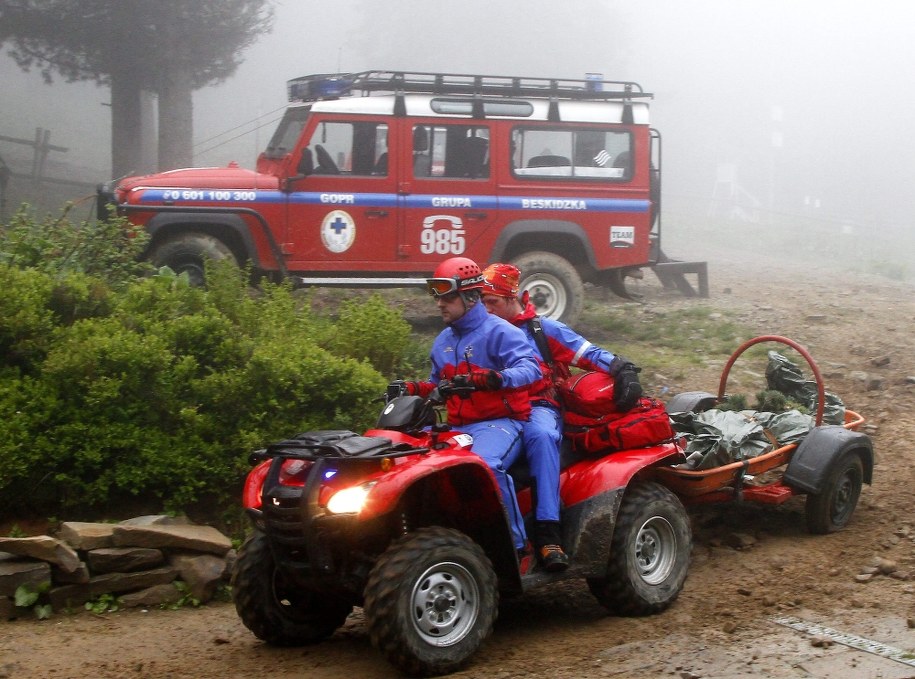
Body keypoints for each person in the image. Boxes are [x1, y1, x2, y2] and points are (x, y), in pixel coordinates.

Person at [480, 263, 643, 572]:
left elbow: (588, 353)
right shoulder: (480, 334)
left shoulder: (541, 331)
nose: (486, 311)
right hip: (493, 412)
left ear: (512, 297)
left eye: (493, 303)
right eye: (481, 302)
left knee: (541, 437)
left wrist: (622, 368)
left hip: (538, 407)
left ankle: (547, 534)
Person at [388, 257, 542, 561]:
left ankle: (515, 548)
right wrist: (412, 389)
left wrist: (495, 379)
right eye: (437, 296)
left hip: (501, 422)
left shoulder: (502, 332)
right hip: (457, 426)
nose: (439, 304)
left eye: (447, 296)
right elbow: (437, 386)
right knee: (403, 457)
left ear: (470, 296)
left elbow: (532, 370)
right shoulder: (443, 341)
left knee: (483, 464)